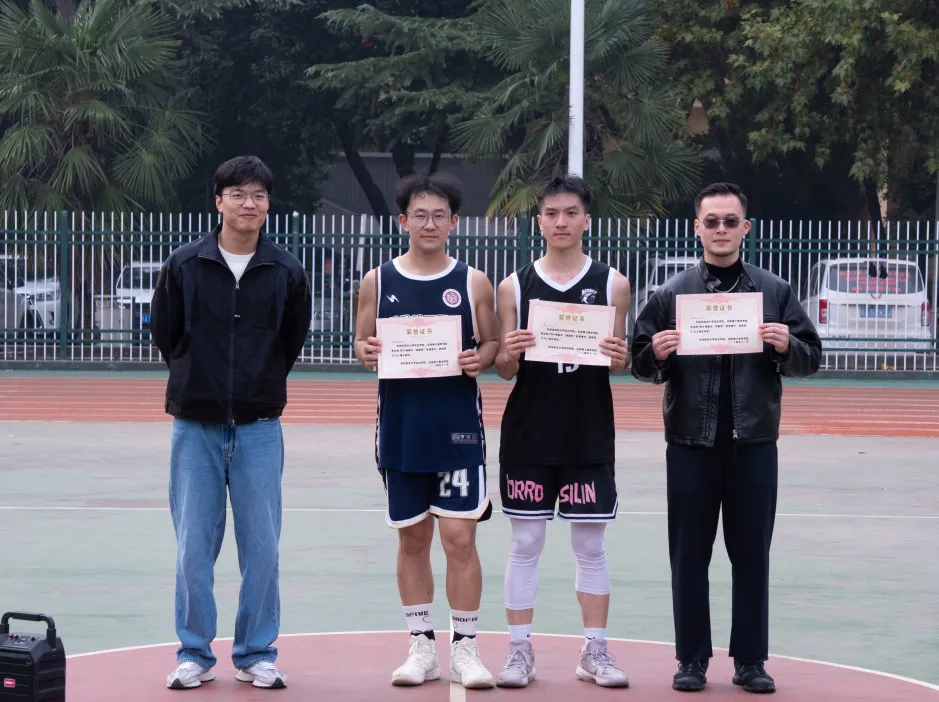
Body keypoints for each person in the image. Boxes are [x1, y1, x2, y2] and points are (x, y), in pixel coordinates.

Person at [630, 182, 822, 694]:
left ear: (745, 228)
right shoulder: (672, 293)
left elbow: (811, 356)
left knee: (752, 554)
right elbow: (639, 360)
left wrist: (787, 345)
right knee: (689, 555)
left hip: (753, 442)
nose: (720, 230)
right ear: (697, 227)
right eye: (711, 221)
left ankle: (751, 660)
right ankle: (691, 658)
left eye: (730, 221)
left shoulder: (774, 291)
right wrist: (657, 355)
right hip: (690, 442)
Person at [150, 155, 312, 691]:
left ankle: (256, 652)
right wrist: (198, 381)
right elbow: (167, 334)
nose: (249, 204)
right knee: (193, 548)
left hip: (259, 427)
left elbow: (289, 340)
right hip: (194, 427)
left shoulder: (286, 270)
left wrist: (257, 384)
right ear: (218, 200)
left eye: (259, 195)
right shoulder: (184, 265)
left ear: (269, 204)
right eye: (239, 194)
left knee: (262, 549)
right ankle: (194, 653)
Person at [353, 172, 499, 689]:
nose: (429, 223)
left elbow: (491, 345)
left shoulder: (473, 281)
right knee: (413, 538)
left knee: (459, 538)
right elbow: (361, 343)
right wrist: (367, 350)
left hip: (458, 430)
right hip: (401, 427)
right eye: (420, 215)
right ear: (403, 221)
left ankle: (465, 648)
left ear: (454, 221)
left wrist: (479, 358)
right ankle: (421, 646)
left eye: (439, 215)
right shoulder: (377, 280)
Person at [492, 174, 631, 689]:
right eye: (551, 213)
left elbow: (618, 363)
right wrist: (510, 351)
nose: (561, 222)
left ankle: (595, 650)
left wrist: (619, 356)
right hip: (529, 432)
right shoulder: (514, 285)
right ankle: (519, 651)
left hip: (587, 431)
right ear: (539, 221)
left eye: (571, 212)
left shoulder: (613, 283)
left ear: (587, 220)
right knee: (525, 541)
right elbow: (504, 369)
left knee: (590, 545)